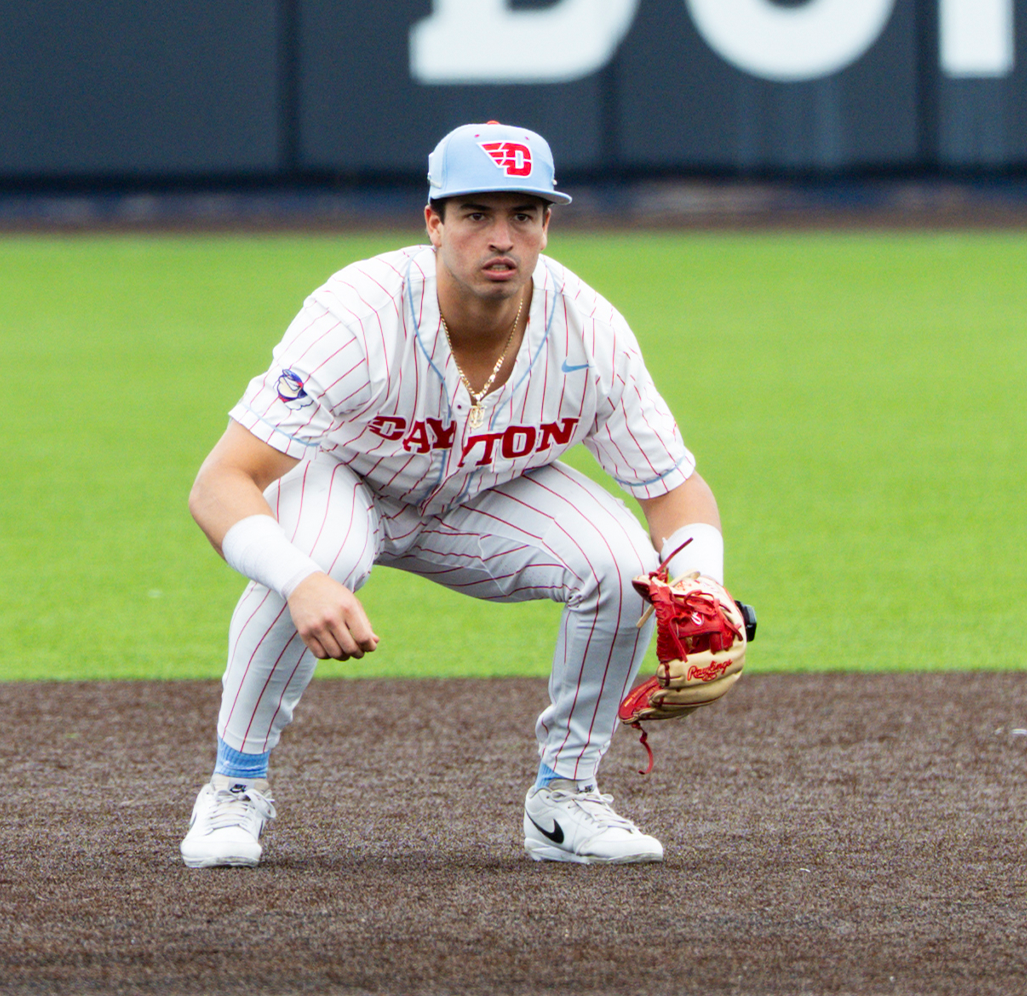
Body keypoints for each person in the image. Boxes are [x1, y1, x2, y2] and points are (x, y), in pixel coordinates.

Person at [181, 121, 727, 867]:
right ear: (433, 223)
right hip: (345, 481)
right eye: (476, 214)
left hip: (486, 493)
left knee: (629, 567)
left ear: (546, 227)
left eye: (523, 215)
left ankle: (565, 796)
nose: (501, 238)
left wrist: (703, 588)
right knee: (317, 555)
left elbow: (672, 488)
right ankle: (234, 786)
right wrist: (299, 580)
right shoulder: (359, 315)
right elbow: (220, 482)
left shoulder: (590, 331)